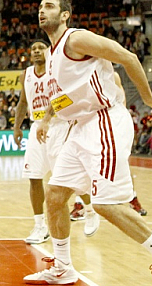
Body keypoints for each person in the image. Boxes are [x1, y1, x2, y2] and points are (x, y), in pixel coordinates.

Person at [23, 0, 152, 286]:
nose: (41, 11)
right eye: (40, 6)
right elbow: (68, 95)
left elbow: (128, 57)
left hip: (104, 122)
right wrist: (46, 119)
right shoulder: (54, 54)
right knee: (56, 195)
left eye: (49, 6)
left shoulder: (76, 39)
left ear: (66, 15)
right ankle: (62, 266)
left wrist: (148, 99)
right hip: (80, 127)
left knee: (106, 205)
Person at [13, 40, 98, 246]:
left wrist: (48, 118)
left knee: (68, 177)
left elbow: (67, 97)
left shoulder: (57, 70)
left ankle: (89, 210)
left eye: (40, 48)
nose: (36, 51)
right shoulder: (26, 74)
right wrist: (17, 127)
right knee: (33, 177)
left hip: (59, 126)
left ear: (49, 51)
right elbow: (23, 102)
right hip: (36, 127)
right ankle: (39, 225)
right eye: (32, 49)